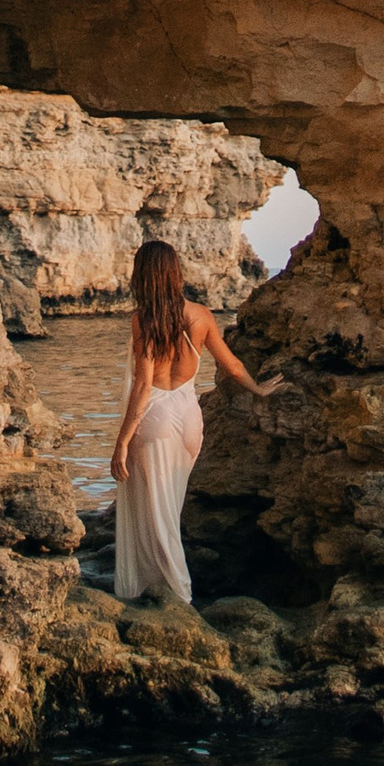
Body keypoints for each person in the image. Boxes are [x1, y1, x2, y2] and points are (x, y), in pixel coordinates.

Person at [108, 238, 286, 607]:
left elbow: (143, 385)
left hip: (154, 418)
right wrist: (259, 389)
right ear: (175, 273)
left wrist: (122, 441)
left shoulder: (144, 320)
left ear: (143, 276)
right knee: (169, 510)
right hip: (189, 418)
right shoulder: (201, 315)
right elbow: (231, 364)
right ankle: (163, 590)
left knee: (156, 515)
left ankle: (176, 594)